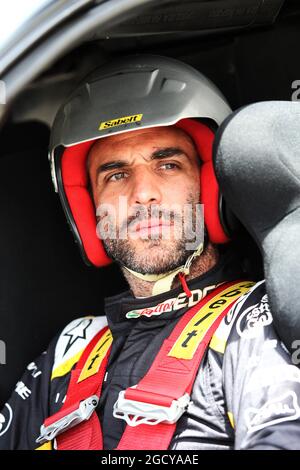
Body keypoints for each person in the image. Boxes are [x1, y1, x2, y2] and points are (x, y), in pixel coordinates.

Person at [1, 55, 300, 451]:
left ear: (209, 187)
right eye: (117, 174)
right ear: (87, 208)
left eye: (168, 165)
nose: (142, 194)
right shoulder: (70, 348)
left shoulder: (255, 321)